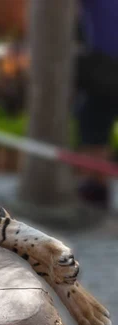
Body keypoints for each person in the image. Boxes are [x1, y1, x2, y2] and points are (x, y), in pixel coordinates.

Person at [76, 0, 118, 208]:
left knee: (93, 125)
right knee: (95, 124)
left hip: (104, 67)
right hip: (103, 67)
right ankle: (96, 186)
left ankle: (95, 187)